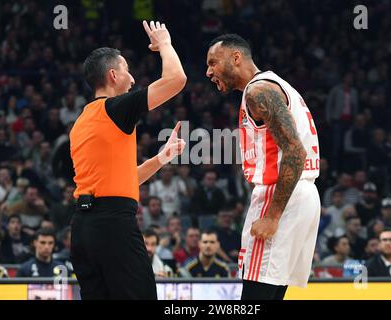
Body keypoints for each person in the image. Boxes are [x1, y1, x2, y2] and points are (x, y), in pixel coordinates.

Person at [69, 20, 186, 300]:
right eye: (127, 70)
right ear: (113, 75)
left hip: (83, 229)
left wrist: (160, 159)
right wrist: (165, 44)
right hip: (114, 226)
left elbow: (121, 180)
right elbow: (176, 80)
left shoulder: (81, 123)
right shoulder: (115, 107)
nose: (132, 79)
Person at [206, 34, 320, 300]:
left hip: (281, 195)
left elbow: (294, 150)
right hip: (300, 193)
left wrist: (273, 215)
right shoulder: (274, 85)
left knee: (254, 297)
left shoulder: (259, 91)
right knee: (271, 292)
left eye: (213, 62)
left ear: (236, 58)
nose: (208, 71)